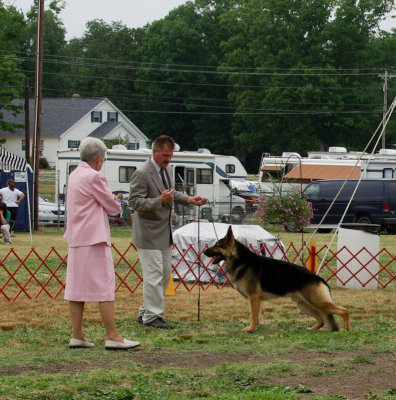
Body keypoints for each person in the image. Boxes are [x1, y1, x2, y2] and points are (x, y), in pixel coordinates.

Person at [64, 137, 140, 350]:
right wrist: (117, 200)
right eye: (104, 159)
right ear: (98, 159)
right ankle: (112, 336)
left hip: (76, 238)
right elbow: (113, 208)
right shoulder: (95, 177)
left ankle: (77, 334)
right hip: (94, 240)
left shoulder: (74, 175)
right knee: (105, 287)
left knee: (76, 289)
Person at [129, 135, 207, 329]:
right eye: (165, 155)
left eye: (170, 155)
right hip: (147, 233)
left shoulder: (168, 170)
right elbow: (134, 202)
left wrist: (189, 199)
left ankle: (145, 312)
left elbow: (170, 194)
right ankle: (152, 317)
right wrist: (159, 201)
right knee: (153, 275)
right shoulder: (142, 173)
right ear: (154, 152)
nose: (168, 159)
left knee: (164, 276)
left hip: (164, 233)